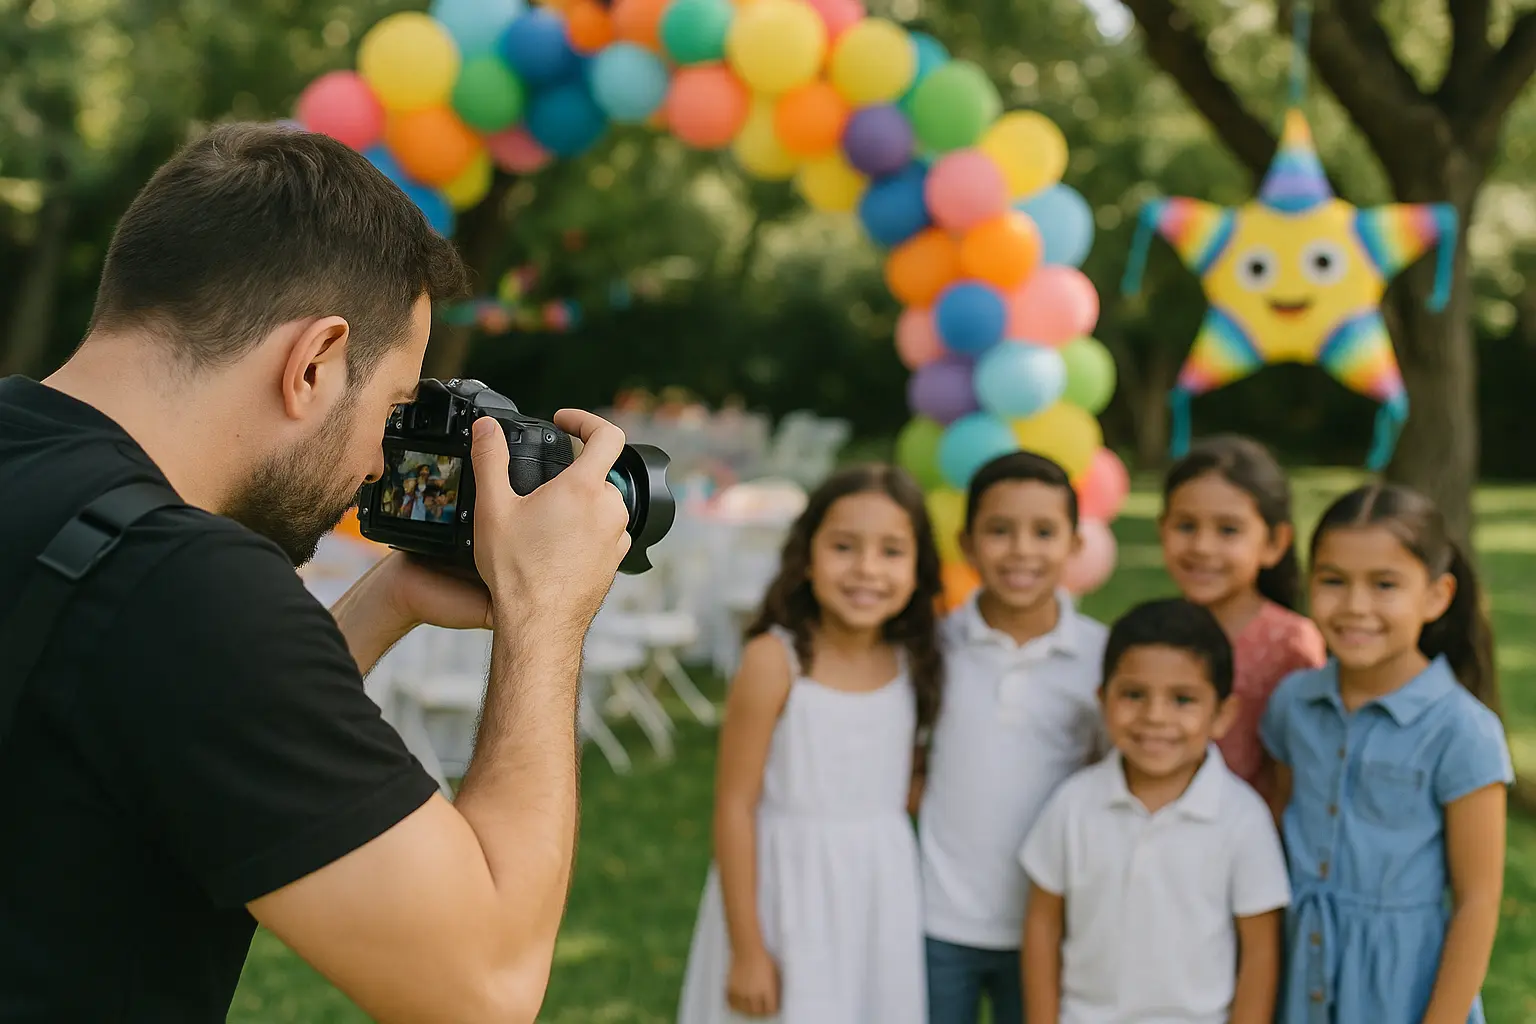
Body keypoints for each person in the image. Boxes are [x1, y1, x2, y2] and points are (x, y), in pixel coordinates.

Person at [0, 123, 634, 1023]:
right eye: (393, 407)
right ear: (313, 362)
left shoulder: (83, 527)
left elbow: (142, 699)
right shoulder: (182, 586)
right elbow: (485, 988)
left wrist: (385, 601)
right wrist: (546, 611)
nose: (378, 463)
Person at [675, 464, 944, 1023]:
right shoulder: (775, 660)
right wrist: (748, 949)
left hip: (878, 894)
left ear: (918, 568)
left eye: (892, 551)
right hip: (784, 893)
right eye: (844, 546)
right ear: (806, 558)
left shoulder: (912, 661)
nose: (867, 568)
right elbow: (735, 806)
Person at [1261, 483, 1512, 1024]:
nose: (1355, 606)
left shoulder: (1462, 731)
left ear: (1437, 596)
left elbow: (1477, 902)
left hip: (1402, 991)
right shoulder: (1293, 704)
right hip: (1298, 976)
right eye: (1333, 581)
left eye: (1384, 585)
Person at [1020, 597, 1290, 1024]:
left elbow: (1259, 950)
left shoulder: (1241, 819)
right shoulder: (1073, 804)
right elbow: (1042, 923)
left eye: (1182, 699)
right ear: (1102, 700)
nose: (1155, 717)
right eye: (1134, 695)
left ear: (1222, 714)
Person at [917, 451, 1109, 1024]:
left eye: (1044, 533)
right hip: (936, 918)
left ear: (1075, 545)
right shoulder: (933, 647)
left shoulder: (1101, 658)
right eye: (1000, 531)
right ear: (967, 544)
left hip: (1049, 922)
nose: (1022, 550)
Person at [1159, 434, 1325, 808]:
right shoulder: (1155, 630)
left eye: (1228, 530)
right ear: (1162, 529)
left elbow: (1301, 772)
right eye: (1186, 526)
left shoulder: (1290, 643)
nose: (1202, 546)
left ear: (1274, 543)